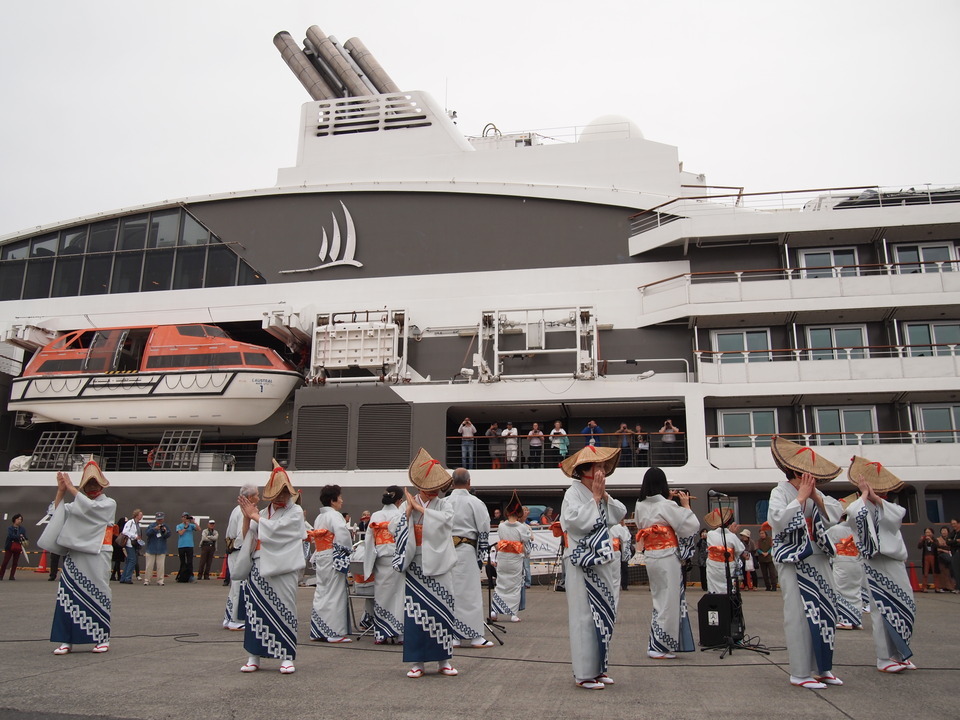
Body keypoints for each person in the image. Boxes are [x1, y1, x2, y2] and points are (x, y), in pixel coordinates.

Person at [767, 436, 844, 690]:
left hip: (817, 557)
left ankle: (823, 667)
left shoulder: (816, 492)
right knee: (799, 615)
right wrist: (800, 498)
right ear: (795, 470)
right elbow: (777, 521)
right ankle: (800, 672)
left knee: (825, 611)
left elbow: (834, 514)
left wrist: (815, 498)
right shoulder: (780, 491)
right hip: (793, 559)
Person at [559, 444, 627, 690]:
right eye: (598, 467)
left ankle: (599, 669)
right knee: (584, 617)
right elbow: (575, 523)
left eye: (603, 467)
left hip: (602, 562)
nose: (602, 471)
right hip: (581, 562)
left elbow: (619, 514)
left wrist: (603, 496)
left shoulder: (598, 493)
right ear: (584, 471)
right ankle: (584, 673)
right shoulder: (573, 493)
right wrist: (595, 498)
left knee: (603, 614)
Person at [391, 448, 459, 679]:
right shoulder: (406, 505)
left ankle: (444, 660)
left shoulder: (444, 505)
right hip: (415, 562)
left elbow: (448, 523)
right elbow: (394, 528)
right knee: (415, 614)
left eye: (434, 490)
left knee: (442, 611)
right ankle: (417, 661)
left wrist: (421, 511)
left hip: (439, 562)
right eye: (427, 490)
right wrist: (408, 514)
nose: (431, 493)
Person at [845, 456, 917, 674]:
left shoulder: (888, 507)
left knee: (905, 606)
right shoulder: (859, 507)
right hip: (874, 563)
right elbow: (853, 515)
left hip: (894, 562)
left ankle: (901, 653)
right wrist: (865, 495)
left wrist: (875, 497)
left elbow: (897, 517)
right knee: (881, 610)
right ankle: (884, 658)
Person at [234, 462, 306, 674]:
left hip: (285, 568)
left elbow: (279, 531)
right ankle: (253, 655)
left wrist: (254, 516)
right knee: (255, 611)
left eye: (285, 492)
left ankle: (286, 656)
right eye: (278, 492)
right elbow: (249, 536)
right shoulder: (264, 513)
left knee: (285, 610)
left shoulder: (296, 511)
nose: (282, 496)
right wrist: (247, 517)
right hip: (260, 564)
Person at [39, 462, 116, 655]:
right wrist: (61, 491)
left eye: (94, 483)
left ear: (101, 486)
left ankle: (101, 637)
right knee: (68, 595)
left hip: (98, 553)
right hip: (76, 554)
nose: (91, 487)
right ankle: (66, 639)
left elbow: (91, 509)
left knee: (99, 593)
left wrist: (73, 489)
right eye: (88, 483)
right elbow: (58, 514)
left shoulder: (108, 503)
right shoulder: (77, 503)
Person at [634, 467, 699, 659]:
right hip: (667, 555)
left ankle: (658, 642)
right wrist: (685, 505)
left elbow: (648, 519)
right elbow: (691, 525)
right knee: (669, 600)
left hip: (652, 555)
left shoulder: (640, 505)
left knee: (659, 598)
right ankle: (659, 646)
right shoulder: (667, 506)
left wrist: (669, 501)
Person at [445, 468, 493, 647]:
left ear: (452, 482)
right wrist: (481, 556)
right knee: (470, 593)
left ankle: (453, 636)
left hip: (446, 550)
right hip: (466, 549)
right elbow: (484, 529)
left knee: (450, 592)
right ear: (469, 482)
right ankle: (475, 636)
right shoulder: (476, 502)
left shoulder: (444, 502)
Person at [309, 484, 353, 643]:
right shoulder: (335, 516)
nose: (342, 500)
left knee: (322, 591)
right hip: (333, 557)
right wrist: (348, 553)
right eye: (339, 497)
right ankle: (334, 632)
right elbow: (343, 536)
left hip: (321, 554)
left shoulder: (319, 517)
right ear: (333, 500)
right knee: (335, 592)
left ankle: (319, 630)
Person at [363, 485, 405, 644]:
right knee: (399, 596)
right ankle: (400, 634)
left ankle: (381, 633)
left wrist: (370, 559)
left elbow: (369, 540)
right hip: (397, 558)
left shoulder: (375, 515)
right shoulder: (400, 514)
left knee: (381, 595)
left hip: (380, 558)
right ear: (400, 500)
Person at [223, 483, 259, 631]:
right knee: (239, 586)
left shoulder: (236, 510)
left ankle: (228, 617)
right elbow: (242, 535)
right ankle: (236, 619)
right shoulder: (243, 512)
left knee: (235, 587)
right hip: (239, 552)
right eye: (257, 494)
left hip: (234, 551)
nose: (259, 497)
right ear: (250, 497)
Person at [491, 493, 531, 623]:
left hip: (503, 557)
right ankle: (513, 613)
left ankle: (494, 611)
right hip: (515, 558)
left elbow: (501, 539)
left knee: (500, 583)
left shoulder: (501, 526)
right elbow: (525, 541)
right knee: (514, 586)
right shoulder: (522, 527)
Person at [826, 498, 865, 630]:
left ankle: (846, 619)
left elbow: (825, 543)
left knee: (841, 589)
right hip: (857, 560)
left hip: (842, 560)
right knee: (855, 590)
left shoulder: (835, 529)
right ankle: (857, 619)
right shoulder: (858, 529)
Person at [703, 508, 743, 594]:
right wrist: (733, 533)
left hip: (713, 565)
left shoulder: (710, 534)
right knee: (727, 587)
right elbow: (740, 550)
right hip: (728, 565)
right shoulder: (732, 536)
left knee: (713, 587)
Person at [143, 512, 170, 585]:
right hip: (151, 549)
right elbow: (147, 533)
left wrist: (164, 531)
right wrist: (154, 529)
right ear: (156, 519)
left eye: (161, 519)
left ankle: (160, 580)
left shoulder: (165, 526)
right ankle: (147, 580)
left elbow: (168, 535)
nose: (159, 521)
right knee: (149, 566)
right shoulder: (151, 525)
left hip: (161, 549)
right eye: (158, 519)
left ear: (163, 519)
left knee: (160, 567)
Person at [0, 513, 28, 580]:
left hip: (18, 546)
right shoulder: (10, 528)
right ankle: (1, 575)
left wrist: (24, 539)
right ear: (14, 520)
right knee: (5, 561)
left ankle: (12, 576)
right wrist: (19, 536)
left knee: (15, 562)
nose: (19, 521)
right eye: (18, 519)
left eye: (20, 519)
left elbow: (24, 537)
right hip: (9, 546)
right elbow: (11, 536)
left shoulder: (22, 529)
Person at [119, 509, 143, 584]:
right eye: (140, 515)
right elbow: (125, 532)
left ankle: (123, 578)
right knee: (132, 560)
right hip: (129, 543)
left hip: (135, 544)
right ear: (136, 515)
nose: (141, 516)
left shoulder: (138, 524)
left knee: (128, 560)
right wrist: (134, 536)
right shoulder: (130, 522)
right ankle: (127, 578)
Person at [610, 517, 632, 592]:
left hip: (609, 551)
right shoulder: (617, 527)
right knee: (614, 579)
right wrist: (625, 556)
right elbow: (627, 538)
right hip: (614, 552)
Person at [175, 513, 198, 583]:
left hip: (190, 546)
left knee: (190, 562)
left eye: (187, 518)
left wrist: (194, 522)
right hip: (181, 546)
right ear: (182, 518)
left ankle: (191, 577)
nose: (186, 519)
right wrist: (185, 527)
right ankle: (181, 576)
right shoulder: (179, 526)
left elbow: (198, 529)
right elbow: (180, 533)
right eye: (184, 517)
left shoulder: (191, 526)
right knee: (183, 562)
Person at [917, 527, 940, 592]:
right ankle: (924, 587)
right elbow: (919, 547)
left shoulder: (935, 540)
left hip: (933, 557)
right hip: (926, 557)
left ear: (932, 533)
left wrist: (931, 540)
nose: (927, 534)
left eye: (929, 532)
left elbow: (937, 546)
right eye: (926, 532)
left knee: (935, 573)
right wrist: (921, 540)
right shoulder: (924, 540)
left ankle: (937, 587)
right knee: (925, 573)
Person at [756, 524, 778, 591]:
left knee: (772, 573)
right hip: (762, 559)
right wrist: (762, 553)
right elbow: (757, 548)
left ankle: (774, 586)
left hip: (769, 558)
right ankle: (767, 586)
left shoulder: (770, 539)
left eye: (762, 533)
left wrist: (768, 552)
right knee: (764, 574)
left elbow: (772, 547)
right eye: (760, 533)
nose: (761, 535)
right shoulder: (759, 541)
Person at [936, 526, 956, 592]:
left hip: (950, 555)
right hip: (941, 556)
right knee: (944, 572)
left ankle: (952, 586)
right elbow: (936, 548)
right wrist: (944, 550)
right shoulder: (938, 539)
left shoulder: (950, 539)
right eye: (942, 530)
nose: (943, 532)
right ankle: (944, 586)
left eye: (945, 530)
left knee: (950, 571)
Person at [109, 517, 125, 581]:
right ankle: (118, 575)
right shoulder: (118, 528)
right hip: (118, 546)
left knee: (117, 562)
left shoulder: (117, 527)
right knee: (117, 562)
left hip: (116, 546)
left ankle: (114, 575)